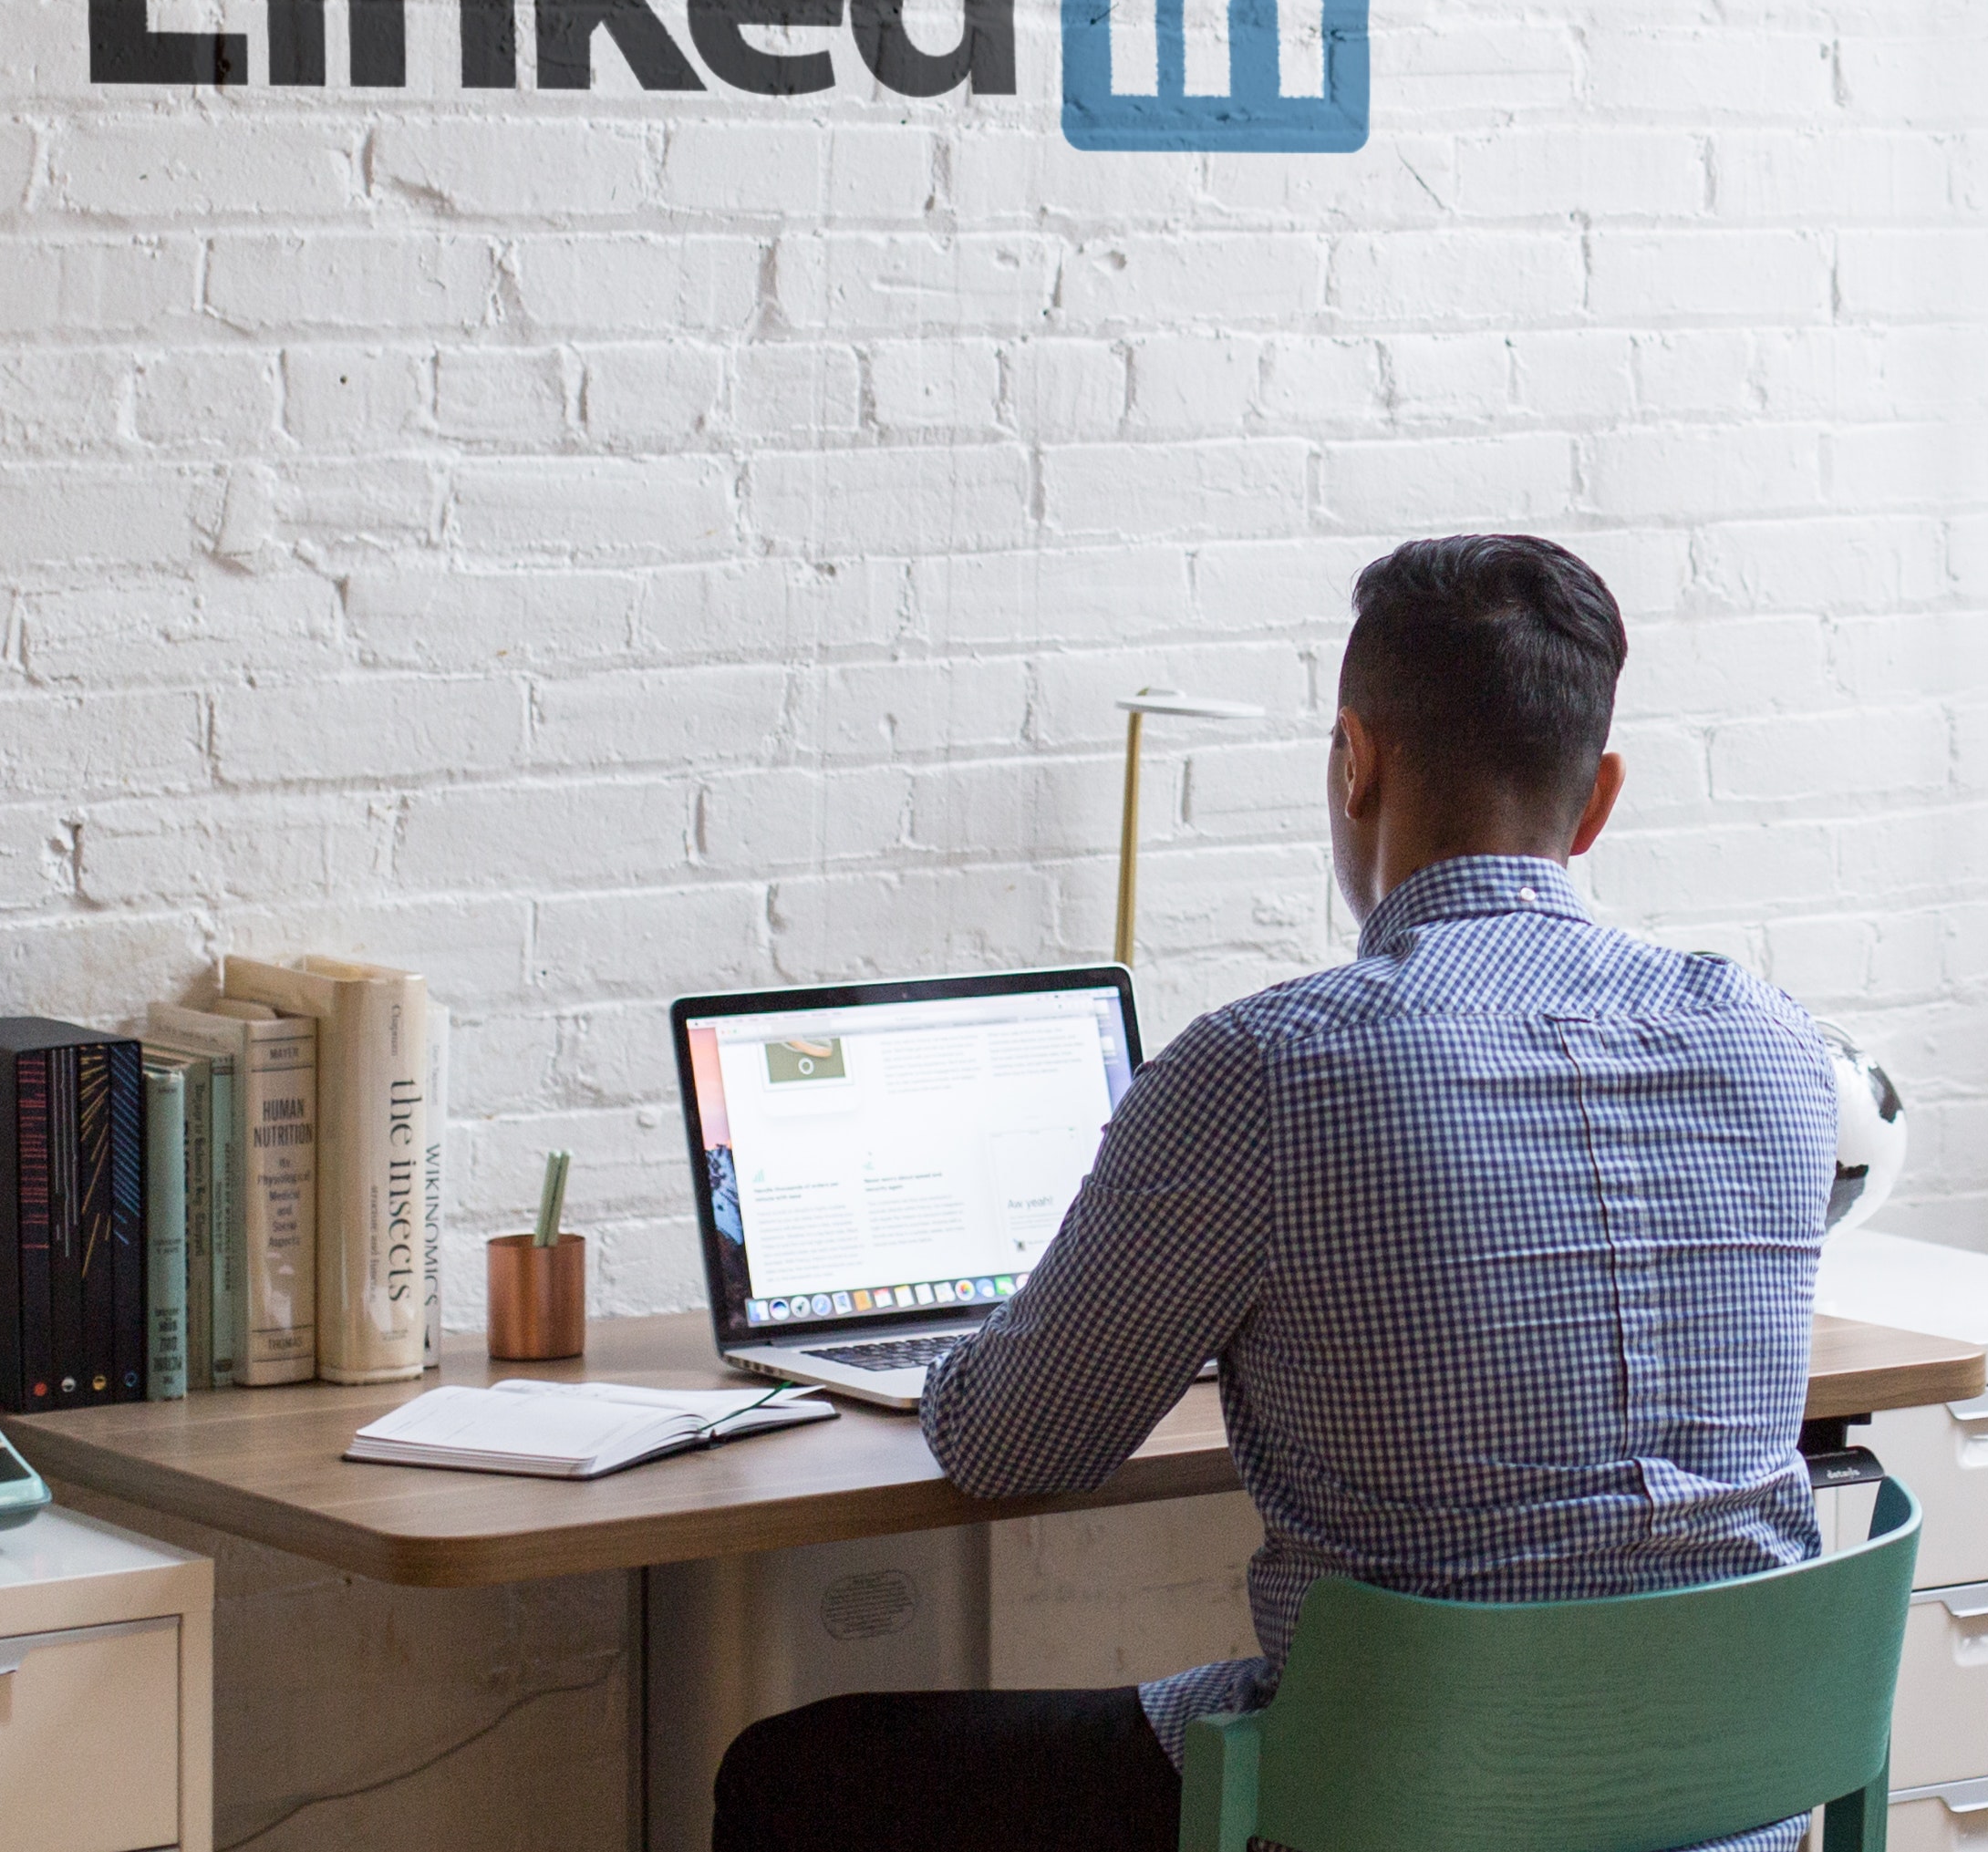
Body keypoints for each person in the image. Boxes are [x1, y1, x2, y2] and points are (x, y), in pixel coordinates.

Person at [713, 533, 1841, 1852]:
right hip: (1731, 1803)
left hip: (1394, 1805)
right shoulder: (1775, 1044)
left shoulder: (1271, 1068)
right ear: (1596, 801)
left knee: (799, 1774)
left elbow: (1014, 1445)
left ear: (1354, 762)